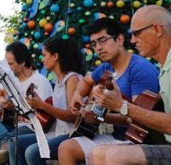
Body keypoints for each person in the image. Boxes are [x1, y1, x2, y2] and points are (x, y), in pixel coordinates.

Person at [57, 17, 161, 165]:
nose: (98, 47)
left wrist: (101, 117)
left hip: (135, 141)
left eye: (103, 40)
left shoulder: (140, 69)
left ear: (119, 39)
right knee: (66, 148)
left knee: (98, 154)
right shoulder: (106, 67)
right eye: (94, 44)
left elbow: (140, 120)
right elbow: (86, 81)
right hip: (115, 136)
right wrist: (77, 95)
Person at [88, 5, 171, 164]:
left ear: (157, 29)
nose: (133, 40)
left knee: (116, 156)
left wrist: (121, 105)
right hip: (167, 143)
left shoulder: (166, 65)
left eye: (136, 33)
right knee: (98, 154)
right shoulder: (165, 64)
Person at [11, 37, 86, 165]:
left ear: (55, 56)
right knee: (15, 143)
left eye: (45, 55)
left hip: (72, 135)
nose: (42, 59)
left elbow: (74, 116)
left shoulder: (72, 79)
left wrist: (43, 105)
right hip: (57, 133)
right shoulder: (58, 80)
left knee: (32, 152)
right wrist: (38, 104)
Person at [0, 42, 54, 165]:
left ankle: (5, 142)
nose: (8, 68)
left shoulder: (40, 81)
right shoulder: (12, 81)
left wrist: (15, 107)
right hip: (16, 125)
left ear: (22, 62)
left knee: (1, 142)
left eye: (11, 64)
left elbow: (45, 118)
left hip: (32, 128)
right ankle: (5, 141)